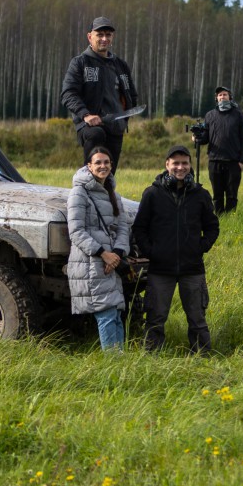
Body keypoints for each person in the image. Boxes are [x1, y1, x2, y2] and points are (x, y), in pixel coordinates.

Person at [131, 144, 220, 353]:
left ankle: (202, 358)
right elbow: (139, 228)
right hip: (161, 269)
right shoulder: (152, 194)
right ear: (167, 165)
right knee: (155, 318)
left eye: (185, 163)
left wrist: (200, 247)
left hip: (192, 268)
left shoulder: (200, 194)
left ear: (190, 166)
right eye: (176, 163)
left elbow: (212, 227)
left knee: (197, 319)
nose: (181, 168)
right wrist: (152, 252)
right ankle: (152, 358)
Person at [66, 147, 132, 350]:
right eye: (98, 163)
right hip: (90, 262)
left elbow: (122, 227)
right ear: (89, 166)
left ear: (111, 166)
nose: (103, 166)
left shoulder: (114, 194)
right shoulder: (79, 193)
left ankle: (119, 361)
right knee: (106, 313)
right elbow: (76, 231)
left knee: (116, 313)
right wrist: (103, 254)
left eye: (106, 162)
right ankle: (112, 363)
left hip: (112, 260)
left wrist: (118, 254)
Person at [61, 16, 139, 172]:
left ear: (112, 37)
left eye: (108, 35)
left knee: (109, 175)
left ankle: (106, 194)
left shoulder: (121, 65)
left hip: (115, 127)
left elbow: (131, 95)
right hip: (90, 127)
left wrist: (124, 118)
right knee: (94, 166)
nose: (104, 39)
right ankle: (84, 189)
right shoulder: (80, 63)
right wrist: (86, 115)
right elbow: (68, 94)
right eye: (100, 34)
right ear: (90, 36)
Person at [202, 85, 243, 214]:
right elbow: (205, 138)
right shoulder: (210, 115)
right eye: (219, 95)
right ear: (216, 99)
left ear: (230, 97)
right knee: (217, 195)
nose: (222, 97)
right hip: (214, 161)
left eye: (225, 94)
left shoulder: (239, 115)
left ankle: (231, 218)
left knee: (231, 194)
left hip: (233, 161)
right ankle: (218, 218)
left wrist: (242, 160)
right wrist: (196, 138)